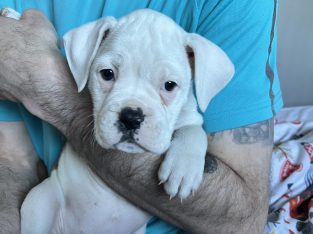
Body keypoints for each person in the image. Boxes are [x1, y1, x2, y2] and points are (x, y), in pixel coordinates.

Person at [0, 0, 283, 233]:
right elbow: (10, 162)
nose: (132, 115)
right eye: (108, 75)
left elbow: (243, 221)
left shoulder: (234, 10)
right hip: (54, 208)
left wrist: (44, 81)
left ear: (196, 64)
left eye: (168, 86)